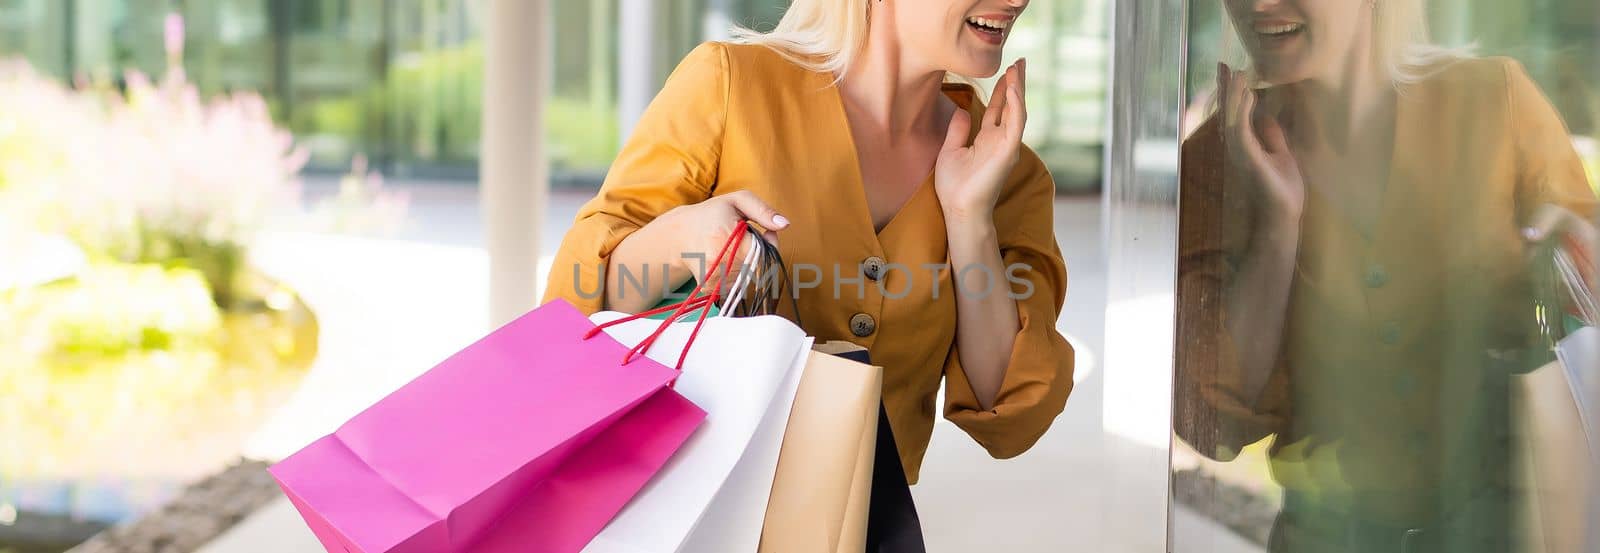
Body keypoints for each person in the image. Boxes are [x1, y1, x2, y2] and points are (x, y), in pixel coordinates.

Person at [543, 0, 1074, 485]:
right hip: (685, 507)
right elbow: (572, 314)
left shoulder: (1006, 167)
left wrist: (969, 217)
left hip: (858, 525)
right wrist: (684, 237)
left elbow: (1006, 407)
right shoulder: (731, 84)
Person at [1174, 0, 1599, 551]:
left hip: (1508, 528)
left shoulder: (1494, 100)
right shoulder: (1219, 157)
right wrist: (1278, 228)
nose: (1256, 4)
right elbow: (1215, 421)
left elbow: (1584, 307)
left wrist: (1572, 255)